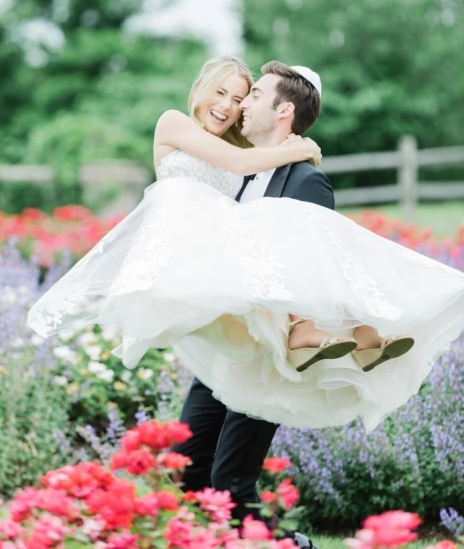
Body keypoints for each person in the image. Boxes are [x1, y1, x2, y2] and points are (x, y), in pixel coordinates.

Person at [27, 56, 464, 441]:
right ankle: (346, 326)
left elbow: (244, 166)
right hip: (185, 246)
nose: (228, 104)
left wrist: (289, 147)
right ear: (200, 89)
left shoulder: (236, 150)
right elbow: (238, 164)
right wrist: (304, 146)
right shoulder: (174, 123)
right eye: (220, 91)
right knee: (285, 226)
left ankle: (361, 332)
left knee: (293, 240)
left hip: (218, 253)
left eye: (239, 98)